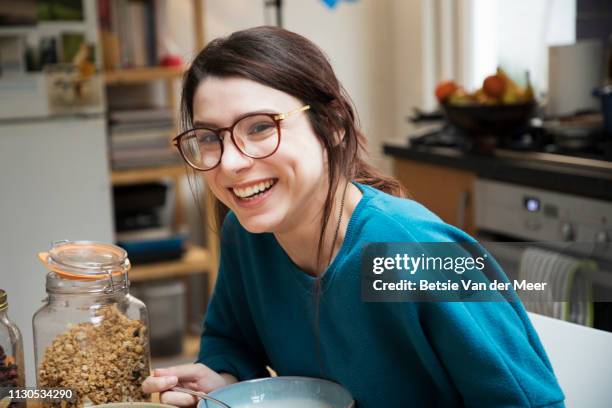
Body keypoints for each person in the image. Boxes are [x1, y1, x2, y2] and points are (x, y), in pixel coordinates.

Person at [142, 26, 564, 407]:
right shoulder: (246, 232)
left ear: (334, 124)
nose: (231, 163)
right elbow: (231, 339)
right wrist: (226, 382)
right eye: (210, 137)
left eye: (259, 127)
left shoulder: (414, 252)